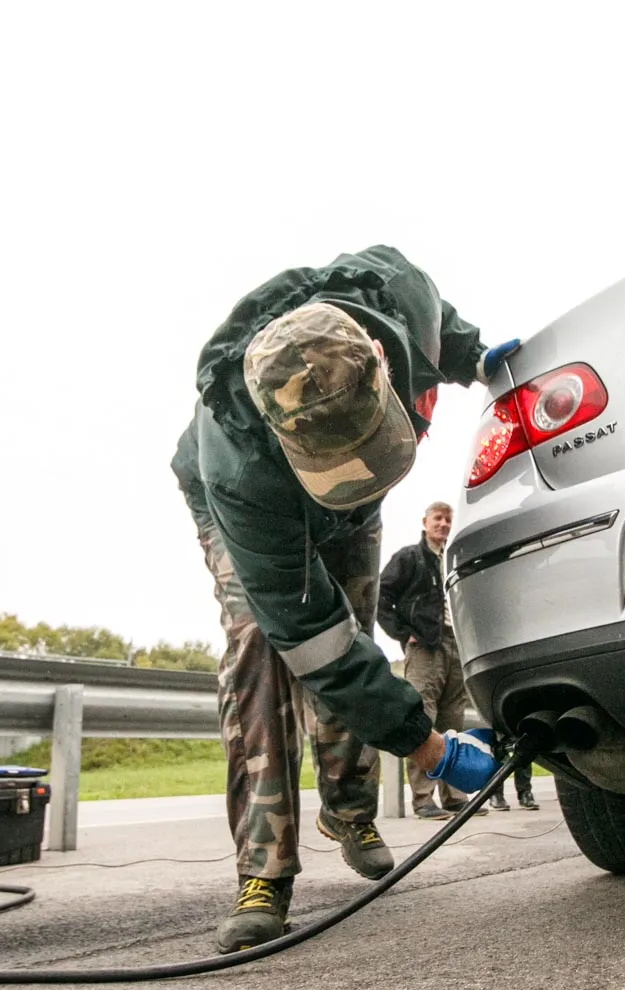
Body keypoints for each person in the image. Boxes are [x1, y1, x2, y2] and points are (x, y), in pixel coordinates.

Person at [172, 245, 518, 952]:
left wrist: (480, 360)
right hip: (251, 513)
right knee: (266, 652)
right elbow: (314, 639)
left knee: (356, 632)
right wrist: (429, 750)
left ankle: (350, 809)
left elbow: (443, 331)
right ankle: (264, 871)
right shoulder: (239, 467)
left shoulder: (401, 293)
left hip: (349, 510)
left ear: (384, 366)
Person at [378, 501, 488, 820]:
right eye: (437, 518)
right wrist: (404, 633)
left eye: (448, 519)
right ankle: (423, 797)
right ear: (425, 522)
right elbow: (382, 598)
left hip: (457, 644)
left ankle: (454, 795)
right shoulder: (410, 557)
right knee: (421, 715)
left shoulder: (455, 559)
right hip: (425, 646)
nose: (443, 523)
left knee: (453, 718)